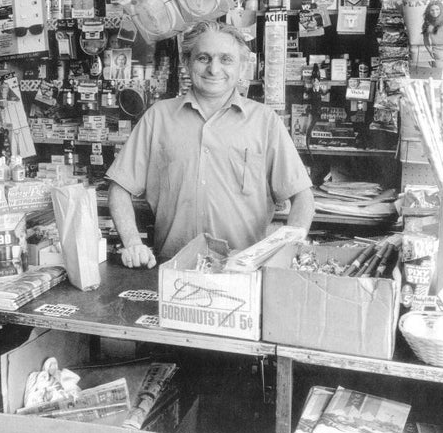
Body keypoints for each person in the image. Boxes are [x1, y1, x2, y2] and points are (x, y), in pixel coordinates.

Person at [106, 20, 315, 269]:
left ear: (242, 67)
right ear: (186, 63)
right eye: (204, 58)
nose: (214, 69)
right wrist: (132, 243)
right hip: (172, 267)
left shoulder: (265, 121)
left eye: (226, 59)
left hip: (243, 272)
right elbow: (119, 188)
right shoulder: (158, 117)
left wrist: (287, 248)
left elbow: (303, 197)